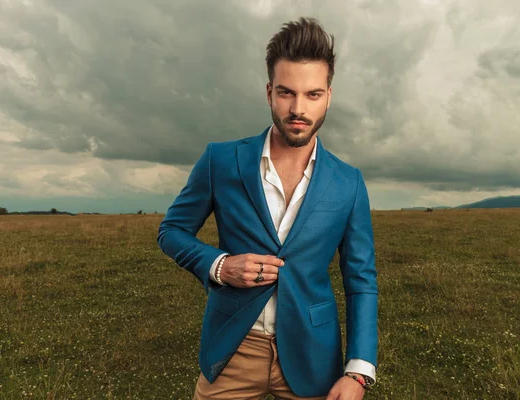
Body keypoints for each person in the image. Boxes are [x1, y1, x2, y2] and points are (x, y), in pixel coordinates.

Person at [157, 17, 378, 400]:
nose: (298, 109)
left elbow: (361, 281)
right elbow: (171, 231)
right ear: (268, 92)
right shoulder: (220, 160)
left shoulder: (349, 182)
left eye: (312, 95)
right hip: (233, 349)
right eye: (285, 93)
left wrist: (357, 372)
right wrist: (221, 266)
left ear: (328, 95)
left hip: (314, 354)